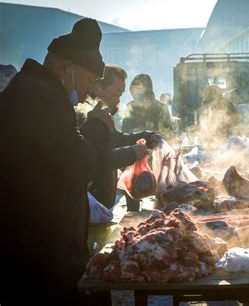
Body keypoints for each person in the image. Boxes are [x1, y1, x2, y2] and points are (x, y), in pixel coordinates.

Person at [0, 18, 114, 304]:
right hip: (39, 256)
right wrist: (98, 127)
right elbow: (81, 165)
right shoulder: (39, 98)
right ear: (66, 69)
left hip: (37, 249)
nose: (89, 93)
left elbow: (64, 151)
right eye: (89, 81)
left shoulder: (34, 91)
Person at [88, 65, 162, 210]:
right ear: (99, 89)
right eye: (116, 93)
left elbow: (117, 138)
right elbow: (98, 158)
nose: (118, 101)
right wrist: (132, 152)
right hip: (91, 202)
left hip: (100, 203)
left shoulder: (102, 115)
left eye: (121, 95)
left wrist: (147, 136)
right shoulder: (86, 117)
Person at [122, 73, 173, 139]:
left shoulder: (161, 108)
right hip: (136, 146)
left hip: (158, 146)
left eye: (138, 91)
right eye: (133, 93)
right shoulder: (130, 107)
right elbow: (125, 132)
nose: (135, 95)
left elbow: (169, 134)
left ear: (147, 90)